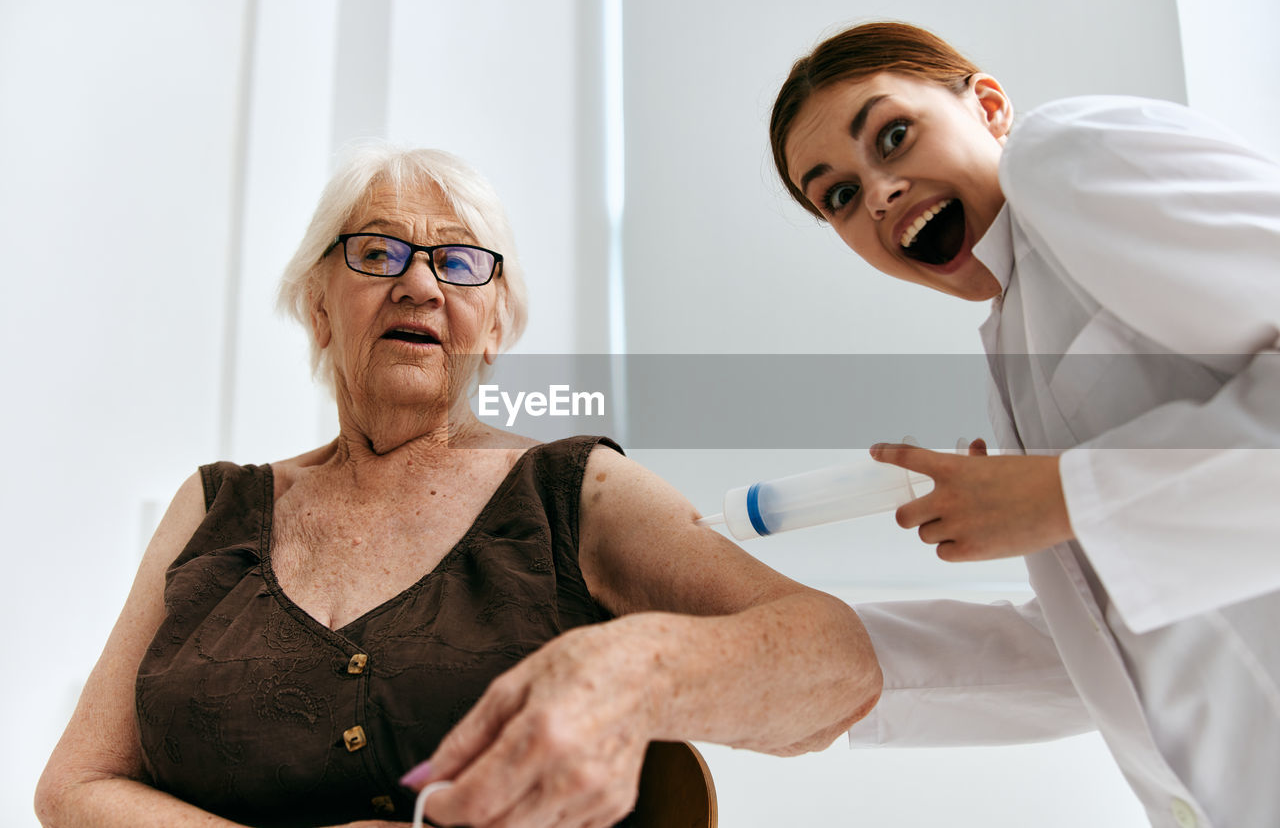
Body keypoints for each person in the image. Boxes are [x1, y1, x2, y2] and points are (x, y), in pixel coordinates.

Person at [35, 144, 882, 828]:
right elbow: (74, 786)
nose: (421, 284)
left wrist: (637, 668)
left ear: (499, 322)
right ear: (318, 304)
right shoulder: (215, 507)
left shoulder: (575, 493)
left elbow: (838, 659)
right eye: (377, 252)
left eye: (461, 262)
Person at [769, 21, 1279, 828]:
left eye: (893, 136)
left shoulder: (1065, 155)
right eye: (836, 195)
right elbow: (1095, 650)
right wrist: (804, 671)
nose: (877, 193)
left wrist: (1067, 497)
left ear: (991, 107)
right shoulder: (1014, 338)